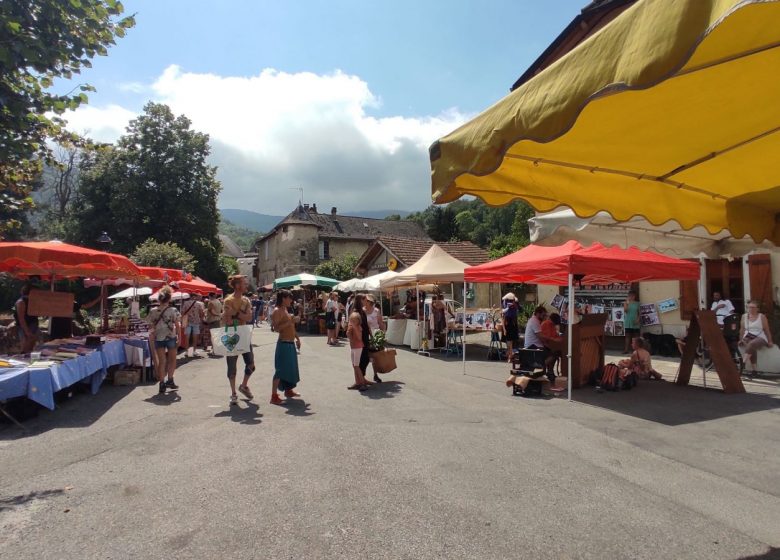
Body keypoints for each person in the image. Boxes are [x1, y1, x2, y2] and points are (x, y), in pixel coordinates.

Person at [222, 275, 255, 405]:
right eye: (243, 283)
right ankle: (233, 393)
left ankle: (243, 386)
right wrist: (240, 315)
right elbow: (227, 319)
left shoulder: (246, 300)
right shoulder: (228, 300)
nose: (246, 285)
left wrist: (236, 314)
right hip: (231, 335)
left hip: (244, 334)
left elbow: (249, 318)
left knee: (251, 365)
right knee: (231, 367)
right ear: (237, 285)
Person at [146, 286, 182, 394]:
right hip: (170, 337)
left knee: (162, 361)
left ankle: (161, 383)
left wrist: (152, 334)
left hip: (158, 338)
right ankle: (170, 380)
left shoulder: (153, 311)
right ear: (169, 299)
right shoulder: (173, 310)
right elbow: (178, 325)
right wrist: (179, 337)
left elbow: (150, 325)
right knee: (172, 360)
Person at [271, 290, 301, 404]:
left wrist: (297, 338)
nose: (291, 300)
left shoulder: (286, 310)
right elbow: (276, 329)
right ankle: (273, 396)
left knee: (291, 369)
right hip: (283, 343)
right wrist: (290, 321)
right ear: (283, 298)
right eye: (289, 298)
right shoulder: (277, 311)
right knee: (280, 370)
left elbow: (291, 326)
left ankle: (288, 390)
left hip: (290, 343)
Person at [739, 299, 774, 374]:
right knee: (751, 347)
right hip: (748, 336)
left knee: (752, 344)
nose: (751, 309)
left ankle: (743, 363)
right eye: (749, 307)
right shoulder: (744, 316)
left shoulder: (762, 317)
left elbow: (767, 330)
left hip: (760, 337)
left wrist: (770, 341)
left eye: (753, 307)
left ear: (757, 309)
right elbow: (742, 329)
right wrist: (740, 339)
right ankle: (754, 370)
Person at [350, 294, 373, 386]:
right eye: (365, 300)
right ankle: (359, 381)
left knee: (365, 359)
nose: (366, 302)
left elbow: (366, 324)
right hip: (359, 339)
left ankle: (362, 379)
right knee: (359, 360)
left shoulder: (362, 311)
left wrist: (371, 335)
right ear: (361, 301)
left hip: (365, 337)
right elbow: (353, 327)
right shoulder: (356, 312)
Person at [364, 295, 386, 383]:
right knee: (365, 356)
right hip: (366, 335)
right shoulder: (362, 310)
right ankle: (362, 376)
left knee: (375, 356)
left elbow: (380, 323)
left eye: (366, 300)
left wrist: (383, 333)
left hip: (375, 334)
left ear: (370, 302)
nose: (364, 302)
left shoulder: (376, 311)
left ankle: (375, 374)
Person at [347, 311, 369, 391]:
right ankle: (357, 383)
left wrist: (354, 328)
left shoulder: (359, 327)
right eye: (351, 320)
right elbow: (348, 336)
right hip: (353, 347)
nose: (352, 322)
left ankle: (363, 383)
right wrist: (348, 331)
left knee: (356, 366)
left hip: (358, 347)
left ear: (358, 320)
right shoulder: (351, 326)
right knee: (354, 365)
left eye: (354, 320)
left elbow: (359, 338)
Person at [181, 293, 205, 358]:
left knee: (187, 337)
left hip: (187, 322)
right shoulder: (198, 304)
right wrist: (201, 319)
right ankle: (194, 351)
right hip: (196, 322)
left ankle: (186, 351)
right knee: (195, 337)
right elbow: (201, 313)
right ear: (194, 297)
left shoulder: (185, 303)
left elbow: (182, 312)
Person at [503, 295, 520, 362]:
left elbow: (519, 309)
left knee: (511, 340)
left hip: (513, 322)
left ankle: (510, 354)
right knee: (508, 339)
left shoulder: (516, 302)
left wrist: (516, 305)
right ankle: (510, 354)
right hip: (507, 322)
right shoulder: (505, 302)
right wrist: (504, 328)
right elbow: (503, 313)